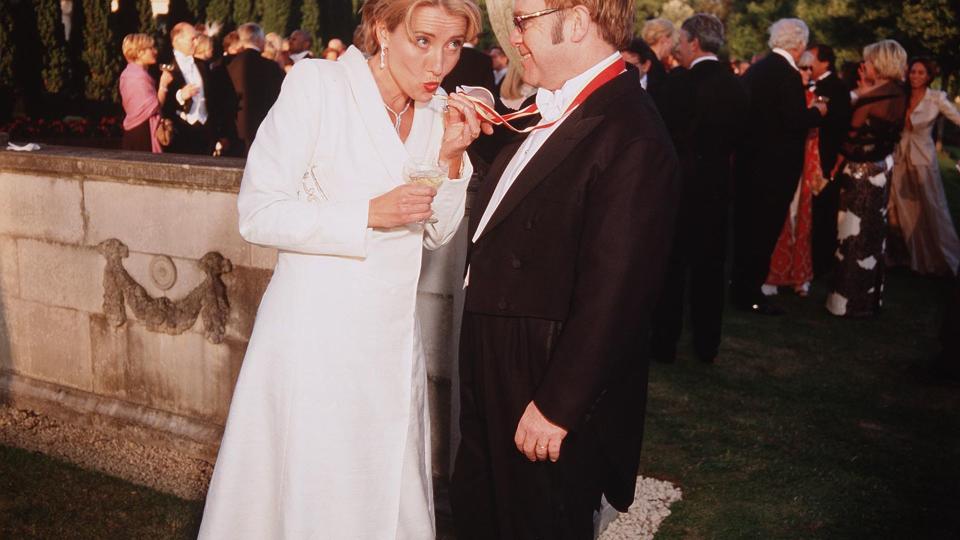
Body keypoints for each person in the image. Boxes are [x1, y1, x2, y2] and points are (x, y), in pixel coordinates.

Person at [196, 0, 486, 537]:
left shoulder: (435, 111)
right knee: (313, 491)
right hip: (313, 340)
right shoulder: (318, 86)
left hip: (392, 346)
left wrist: (450, 157)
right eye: (423, 41)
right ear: (381, 28)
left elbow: (437, 232)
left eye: (454, 46)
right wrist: (367, 214)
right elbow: (258, 213)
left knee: (384, 494)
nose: (439, 64)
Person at [450, 0, 679, 537]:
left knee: (536, 519)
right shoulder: (556, 108)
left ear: (576, 22)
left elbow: (618, 293)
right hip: (497, 343)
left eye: (523, 21)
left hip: (544, 362)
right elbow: (534, 197)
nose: (515, 38)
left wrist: (558, 405)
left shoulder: (632, 134)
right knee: (481, 510)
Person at [650, 13, 748, 365]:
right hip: (718, 187)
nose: (678, 47)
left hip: (679, 187)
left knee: (672, 267)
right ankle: (708, 345)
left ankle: (664, 344)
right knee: (710, 270)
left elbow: (662, 135)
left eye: (681, 41)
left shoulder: (679, 83)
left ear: (693, 42)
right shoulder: (735, 84)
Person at [731, 18, 825, 315]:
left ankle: (740, 287)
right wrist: (817, 112)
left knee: (746, 230)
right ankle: (750, 294)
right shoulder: (788, 75)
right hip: (775, 170)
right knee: (764, 231)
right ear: (799, 46)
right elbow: (794, 121)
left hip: (749, 163)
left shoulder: (757, 70)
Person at [826, 40, 908, 317]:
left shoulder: (871, 98)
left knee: (852, 233)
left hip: (860, 171)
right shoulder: (899, 93)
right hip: (883, 169)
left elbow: (851, 140)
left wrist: (833, 166)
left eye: (869, 61)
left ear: (880, 63)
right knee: (873, 234)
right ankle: (867, 300)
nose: (865, 65)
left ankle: (845, 302)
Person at [888, 57, 960, 276]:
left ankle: (944, 257)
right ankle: (905, 256)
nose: (915, 76)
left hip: (924, 158)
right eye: (913, 72)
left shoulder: (936, 98)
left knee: (932, 207)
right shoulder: (902, 95)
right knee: (898, 207)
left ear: (929, 77)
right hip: (900, 155)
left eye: (921, 73)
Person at [763, 51, 820, 297]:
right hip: (785, 165)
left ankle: (799, 276)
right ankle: (774, 275)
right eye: (802, 67)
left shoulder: (816, 99)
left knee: (801, 220)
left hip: (807, 168)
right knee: (782, 218)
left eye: (809, 68)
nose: (806, 72)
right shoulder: (790, 95)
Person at [808, 43, 853, 277]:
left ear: (825, 62)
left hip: (825, 156)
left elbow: (840, 124)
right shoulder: (806, 81)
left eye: (812, 57)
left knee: (823, 211)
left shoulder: (836, 87)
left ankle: (820, 263)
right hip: (809, 156)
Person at [226, 23, 285, 156]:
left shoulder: (228, 64)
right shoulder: (271, 67)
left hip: (234, 130)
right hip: (263, 130)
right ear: (258, 40)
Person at [162, 22, 217, 155]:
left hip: (205, 131)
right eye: (192, 39)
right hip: (181, 133)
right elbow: (160, 103)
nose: (196, 42)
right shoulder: (165, 65)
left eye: (197, 38)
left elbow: (213, 98)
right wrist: (180, 96)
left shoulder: (202, 65)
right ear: (177, 40)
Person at [119, 33, 172, 153]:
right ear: (139, 52)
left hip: (135, 130)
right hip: (142, 132)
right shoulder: (138, 77)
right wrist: (164, 85)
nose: (155, 51)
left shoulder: (129, 73)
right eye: (151, 48)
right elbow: (154, 106)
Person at [641, 17, 676, 95]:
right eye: (672, 39)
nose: (673, 45)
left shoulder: (644, 57)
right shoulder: (654, 66)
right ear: (664, 39)